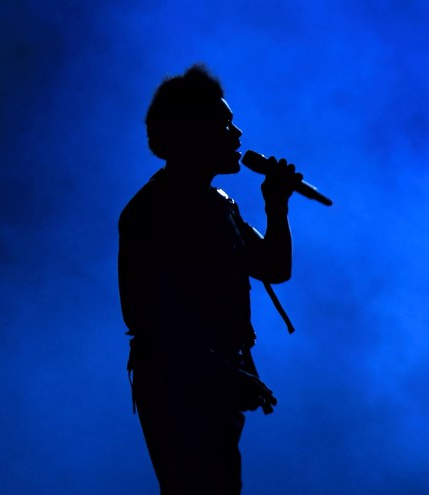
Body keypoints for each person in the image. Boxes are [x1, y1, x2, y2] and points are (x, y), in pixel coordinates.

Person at [118, 64, 302, 495]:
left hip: (214, 378)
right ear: (190, 133)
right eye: (223, 123)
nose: (237, 133)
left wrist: (276, 205)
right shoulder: (155, 209)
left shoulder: (219, 204)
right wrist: (217, 371)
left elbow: (275, 267)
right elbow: (150, 317)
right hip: (178, 383)